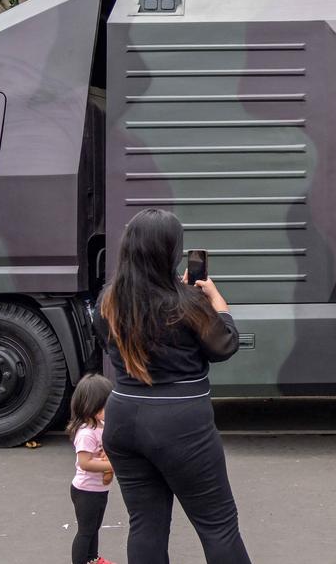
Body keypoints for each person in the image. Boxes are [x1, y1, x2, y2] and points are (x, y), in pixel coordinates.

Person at [98, 208, 252, 564]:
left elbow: (116, 342)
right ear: (169, 251)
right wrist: (219, 304)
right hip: (181, 424)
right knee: (219, 526)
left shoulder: (108, 301)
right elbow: (223, 345)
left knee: (146, 525)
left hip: (122, 415)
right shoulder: (188, 303)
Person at [66, 373, 116, 564]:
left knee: (94, 528)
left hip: (99, 489)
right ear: (90, 406)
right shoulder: (86, 432)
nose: (109, 409)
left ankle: (93, 559)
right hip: (86, 491)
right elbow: (85, 463)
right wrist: (112, 464)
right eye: (104, 405)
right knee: (86, 531)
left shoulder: (101, 425)